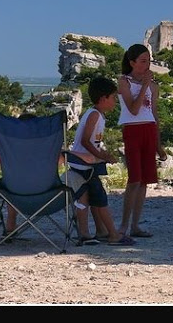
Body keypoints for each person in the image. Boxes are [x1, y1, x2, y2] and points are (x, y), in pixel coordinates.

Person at [66, 76, 135, 246]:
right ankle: (113, 234)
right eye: (113, 98)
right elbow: (85, 141)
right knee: (101, 199)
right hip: (84, 165)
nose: (115, 102)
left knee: (95, 198)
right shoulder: (95, 115)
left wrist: (104, 154)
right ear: (103, 98)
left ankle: (101, 230)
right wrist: (102, 156)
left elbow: (94, 142)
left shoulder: (98, 115)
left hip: (86, 164)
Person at [118, 44, 167, 238]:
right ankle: (123, 225)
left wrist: (159, 145)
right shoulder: (124, 82)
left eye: (149, 61)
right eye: (143, 61)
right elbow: (133, 109)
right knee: (134, 179)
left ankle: (135, 225)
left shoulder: (154, 86)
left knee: (145, 180)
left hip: (149, 130)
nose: (147, 65)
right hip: (132, 130)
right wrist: (145, 85)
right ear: (132, 63)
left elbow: (154, 114)